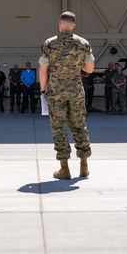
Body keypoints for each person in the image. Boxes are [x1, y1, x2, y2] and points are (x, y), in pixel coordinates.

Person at [39, 11, 95, 179]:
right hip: (76, 91)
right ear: (73, 26)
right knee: (79, 125)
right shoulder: (83, 43)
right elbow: (90, 68)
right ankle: (84, 166)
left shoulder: (49, 44)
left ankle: (64, 168)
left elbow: (43, 70)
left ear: (60, 24)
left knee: (59, 127)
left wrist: (43, 90)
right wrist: (78, 67)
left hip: (56, 93)